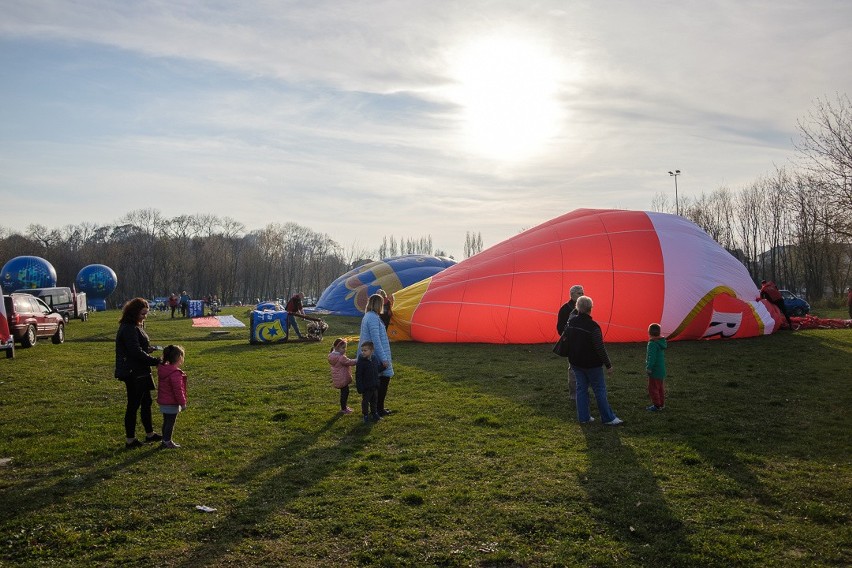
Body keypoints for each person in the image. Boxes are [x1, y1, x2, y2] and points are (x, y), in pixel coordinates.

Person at [565, 295, 623, 425]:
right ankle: (608, 418)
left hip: (575, 362)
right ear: (591, 309)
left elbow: (567, 340)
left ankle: (584, 417)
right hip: (592, 365)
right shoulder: (593, 327)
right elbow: (599, 347)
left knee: (581, 389)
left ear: (577, 308)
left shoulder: (571, 323)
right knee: (599, 390)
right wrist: (608, 365)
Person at [114, 298, 163, 447]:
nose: (145, 316)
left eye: (146, 313)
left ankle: (149, 434)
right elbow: (134, 351)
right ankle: (130, 439)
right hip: (134, 372)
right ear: (134, 312)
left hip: (141, 370)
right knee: (133, 405)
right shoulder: (128, 328)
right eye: (143, 313)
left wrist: (148, 349)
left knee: (146, 402)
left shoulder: (134, 326)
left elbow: (138, 347)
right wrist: (155, 360)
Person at [359, 294, 395, 416]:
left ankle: (376, 408)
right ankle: (379, 408)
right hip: (377, 355)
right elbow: (376, 340)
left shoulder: (369, 316)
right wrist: (384, 358)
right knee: (383, 382)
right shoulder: (373, 318)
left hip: (374, 354)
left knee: (377, 383)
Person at [556, 284, 585, 400]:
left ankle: (583, 392)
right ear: (572, 294)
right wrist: (568, 336)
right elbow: (559, 328)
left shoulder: (584, 307)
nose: (582, 295)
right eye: (579, 293)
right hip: (572, 343)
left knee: (584, 368)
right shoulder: (565, 309)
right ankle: (574, 395)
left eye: (583, 293)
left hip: (583, 342)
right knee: (573, 369)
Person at [157, 345, 188, 449]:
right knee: (170, 423)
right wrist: (183, 403)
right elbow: (178, 390)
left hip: (164, 401)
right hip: (171, 402)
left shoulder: (163, 369)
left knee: (166, 421)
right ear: (179, 358)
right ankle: (167, 441)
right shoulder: (175, 373)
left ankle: (164, 439)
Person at [328, 338, 357, 414]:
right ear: (337, 348)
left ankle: (343, 407)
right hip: (343, 378)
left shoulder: (332, 355)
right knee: (345, 393)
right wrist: (358, 360)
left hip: (338, 378)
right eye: (343, 348)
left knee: (343, 393)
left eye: (345, 348)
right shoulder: (341, 357)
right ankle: (343, 408)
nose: (345, 350)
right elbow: (350, 362)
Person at [355, 341, 382, 423]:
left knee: (374, 400)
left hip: (374, 385)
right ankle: (365, 415)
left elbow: (376, 369)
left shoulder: (374, 358)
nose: (363, 352)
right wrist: (360, 387)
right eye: (362, 350)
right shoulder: (361, 362)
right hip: (366, 387)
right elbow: (358, 375)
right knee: (365, 401)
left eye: (365, 350)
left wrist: (383, 367)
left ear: (371, 350)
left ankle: (374, 413)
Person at [645, 323, 667, 411]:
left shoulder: (652, 344)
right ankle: (661, 404)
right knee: (660, 388)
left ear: (649, 333)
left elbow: (652, 357)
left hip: (655, 370)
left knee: (653, 388)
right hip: (661, 370)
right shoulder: (661, 342)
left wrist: (649, 368)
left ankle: (657, 405)